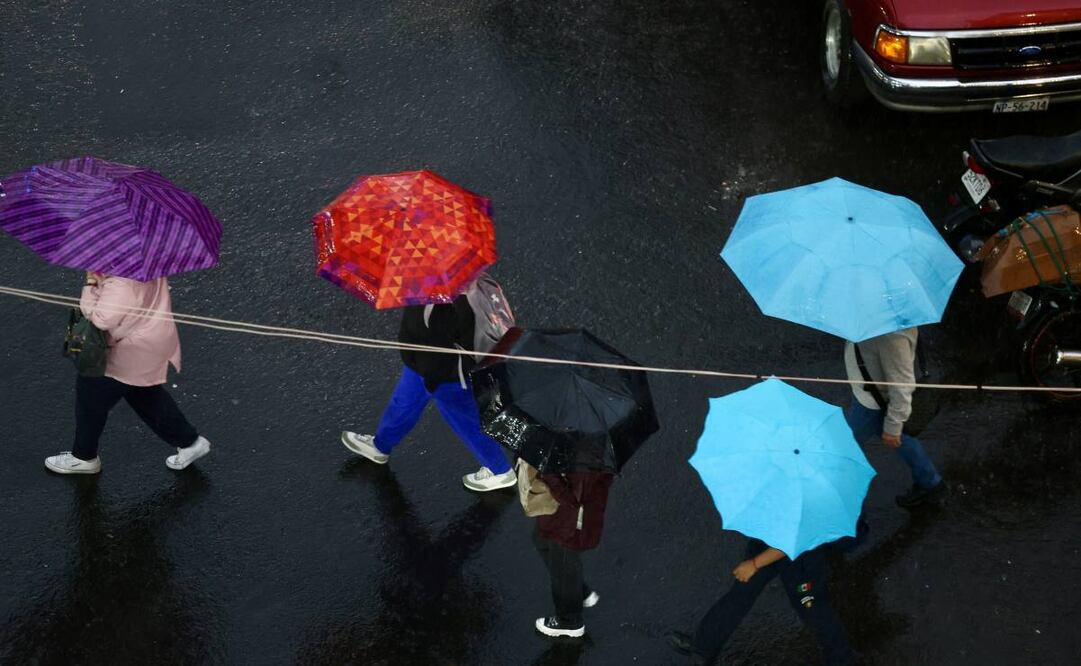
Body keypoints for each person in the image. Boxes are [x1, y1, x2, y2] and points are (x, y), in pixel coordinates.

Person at [341, 294, 515, 491]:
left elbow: (437, 346)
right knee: (404, 402)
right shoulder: (441, 290)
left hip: (442, 374)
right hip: (421, 363)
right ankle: (380, 445)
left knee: (463, 419)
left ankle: (500, 470)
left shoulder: (440, 304)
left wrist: (432, 379)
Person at [45, 272, 211, 474]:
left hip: (126, 351)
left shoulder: (121, 282)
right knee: (145, 396)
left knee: (91, 398)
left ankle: (84, 457)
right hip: (147, 344)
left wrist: (90, 286)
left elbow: (101, 319)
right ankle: (190, 442)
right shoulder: (145, 267)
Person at [668, 530, 862, 665]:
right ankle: (704, 646)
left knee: (812, 607)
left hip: (801, 558)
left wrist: (754, 564)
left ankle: (841, 659)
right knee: (741, 593)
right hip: (769, 541)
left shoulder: (812, 495)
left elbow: (791, 540)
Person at [843, 327, 945, 508]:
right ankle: (931, 483)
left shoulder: (892, 336)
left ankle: (840, 497)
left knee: (845, 446)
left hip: (872, 404)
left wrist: (894, 424)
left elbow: (902, 386)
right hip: (872, 398)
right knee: (903, 440)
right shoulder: (879, 320)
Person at [531, 469, 612, 638]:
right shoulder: (585, 451)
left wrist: (547, 473)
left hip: (571, 521)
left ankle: (569, 621)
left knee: (563, 559)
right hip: (562, 514)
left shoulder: (585, 459)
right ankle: (578, 590)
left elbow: (572, 498)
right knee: (542, 540)